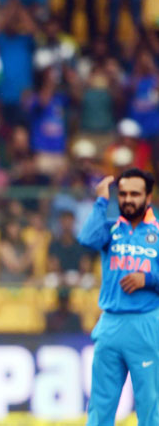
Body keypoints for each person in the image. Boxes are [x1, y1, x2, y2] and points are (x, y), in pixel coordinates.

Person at [78, 168, 159, 425]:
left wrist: (148, 279)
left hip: (146, 323)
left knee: (150, 403)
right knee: (101, 404)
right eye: (122, 194)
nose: (127, 199)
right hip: (110, 323)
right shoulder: (111, 229)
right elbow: (86, 238)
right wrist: (101, 201)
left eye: (135, 194)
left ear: (148, 197)